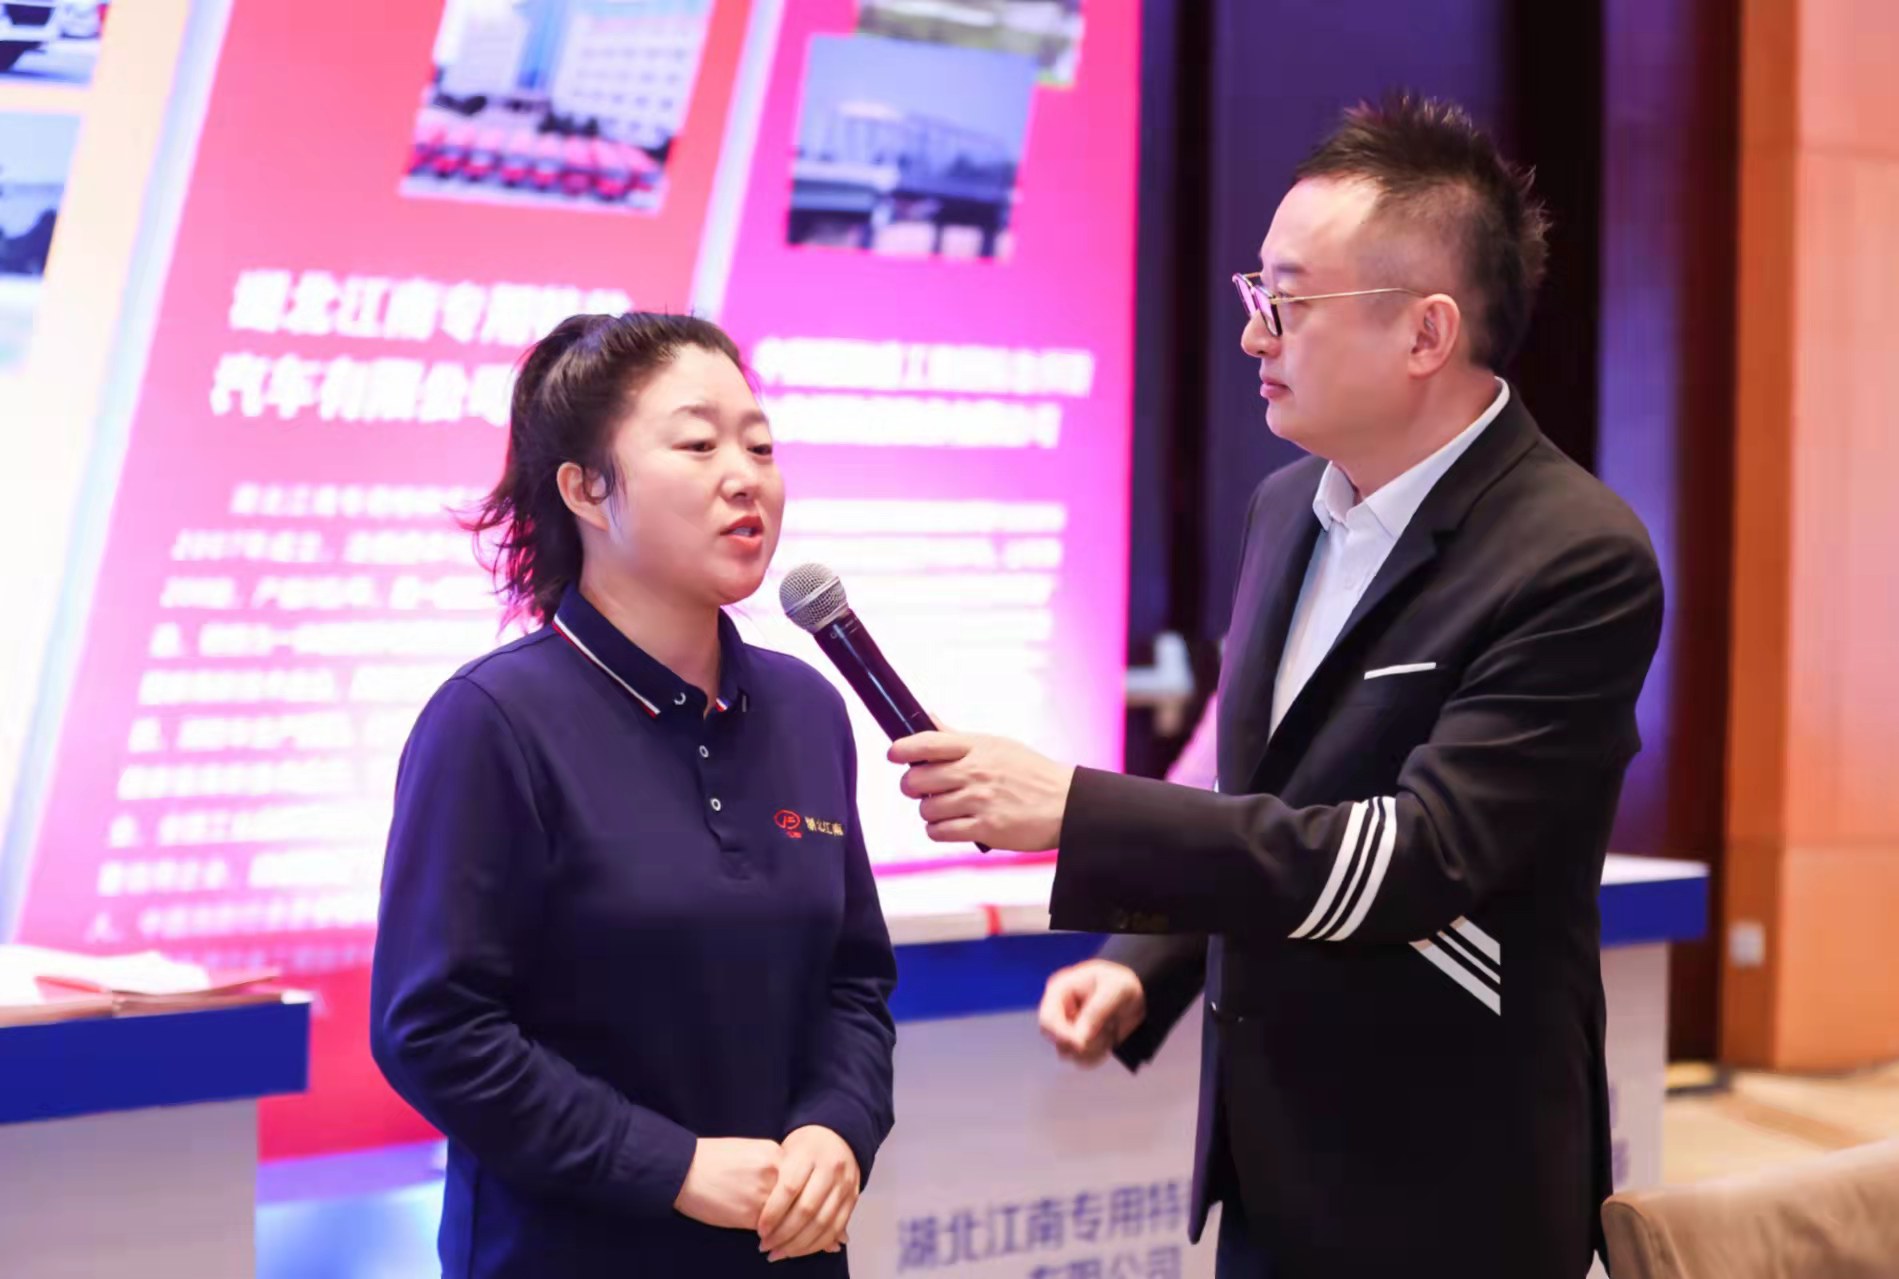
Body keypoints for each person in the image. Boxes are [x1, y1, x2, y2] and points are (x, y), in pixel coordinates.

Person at [889, 94, 1664, 1278]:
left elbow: (1410, 859)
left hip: (1451, 1179)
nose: (1255, 338)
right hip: (1267, 1156)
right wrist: (1143, 963)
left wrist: (1077, 808)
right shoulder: (1285, 505)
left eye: (1287, 303)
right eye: (1256, 294)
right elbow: (1269, 794)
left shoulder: (1574, 555)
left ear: (1426, 333)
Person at [370, 313, 896, 1277]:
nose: (745, 477)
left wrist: (838, 1125)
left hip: (787, 1250)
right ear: (585, 490)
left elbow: (853, 980)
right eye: (698, 445)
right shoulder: (492, 721)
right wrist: (673, 1166)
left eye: (760, 445)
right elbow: (436, 1030)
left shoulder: (808, 706)